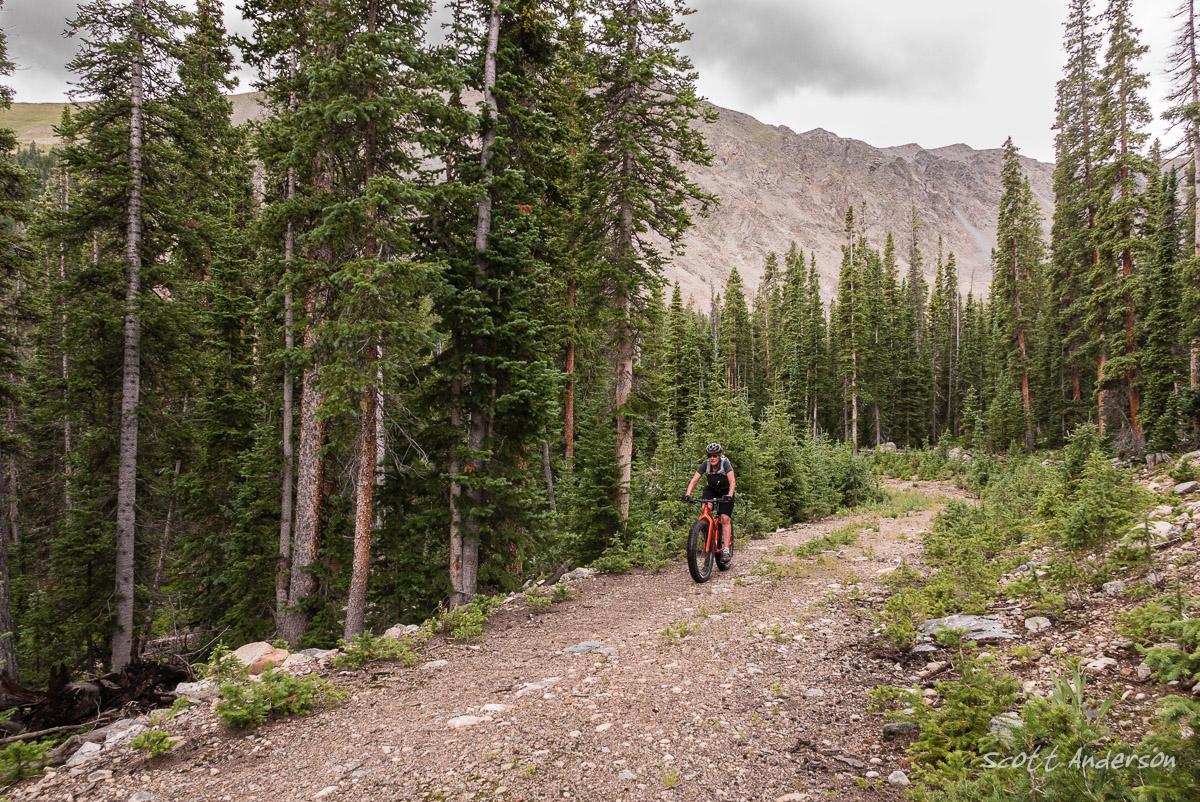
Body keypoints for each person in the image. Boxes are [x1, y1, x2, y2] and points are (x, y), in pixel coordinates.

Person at [682, 443, 736, 560]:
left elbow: (732, 481)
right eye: (710, 455)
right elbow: (694, 480)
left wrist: (730, 495)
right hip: (711, 490)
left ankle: (726, 549)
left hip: (726, 491)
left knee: (725, 518)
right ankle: (708, 534)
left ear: (719, 456)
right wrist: (688, 494)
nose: (712, 458)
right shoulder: (705, 465)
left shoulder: (725, 464)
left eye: (715, 456)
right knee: (705, 510)